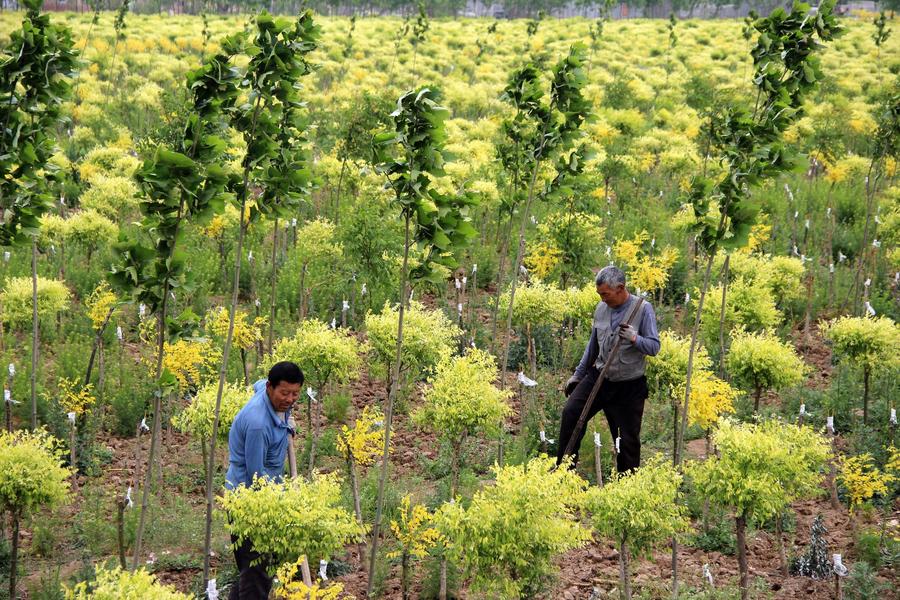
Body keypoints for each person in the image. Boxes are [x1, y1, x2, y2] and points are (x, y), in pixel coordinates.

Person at [556, 265, 660, 473]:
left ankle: (627, 488)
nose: (602, 298)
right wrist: (578, 375)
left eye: (606, 294)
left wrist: (634, 338)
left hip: (628, 386)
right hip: (599, 377)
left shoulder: (642, 309)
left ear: (621, 288)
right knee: (571, 413)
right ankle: (564, 473)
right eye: (599, 294)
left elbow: (654, 347)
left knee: (626, 441)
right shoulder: (601, 309)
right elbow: (592, 346)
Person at [225, 361, 303, 600]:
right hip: (249, 501)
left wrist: (285, 423)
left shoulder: (267, 393)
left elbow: (257, 383)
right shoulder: (258, 425)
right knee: (257, 569)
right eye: (284, 393)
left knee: (256, 570)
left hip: (267, 494)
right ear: (271, 388)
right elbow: (256, 477)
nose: (290, 399)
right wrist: (278, 510)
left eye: (295, 394)